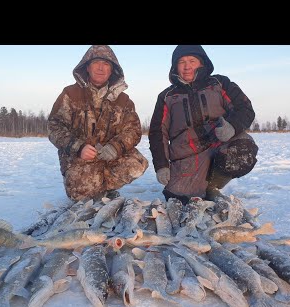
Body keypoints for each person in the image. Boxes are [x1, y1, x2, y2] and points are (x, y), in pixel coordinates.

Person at [149, 45, 258, 205]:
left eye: (192, 61)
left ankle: (213, 186)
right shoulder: (167, 96)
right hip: (188, 160)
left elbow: (245, 109)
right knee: (177, 201)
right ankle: (197, 188)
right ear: (175, 67)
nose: (187, 66)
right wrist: (161, 166)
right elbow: (157, 133)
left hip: (219, 148)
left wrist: (232, 127)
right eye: (181, 62)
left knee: (242, 147)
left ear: (202, 63)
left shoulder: (220, 83)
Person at [47, 45, 149, 202]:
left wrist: (115, 147)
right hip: (79, 159)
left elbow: (133, 131)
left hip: (109, 156)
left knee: (138, 163)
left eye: (106, 64)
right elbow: (55, 126)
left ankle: (107, 190)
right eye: (96, 63)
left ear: (112, 70)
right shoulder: (70, 94)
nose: (101, 68)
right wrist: (78, 147)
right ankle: (93, 189)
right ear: (87, 67)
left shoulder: (124, 100)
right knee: (81, 195)